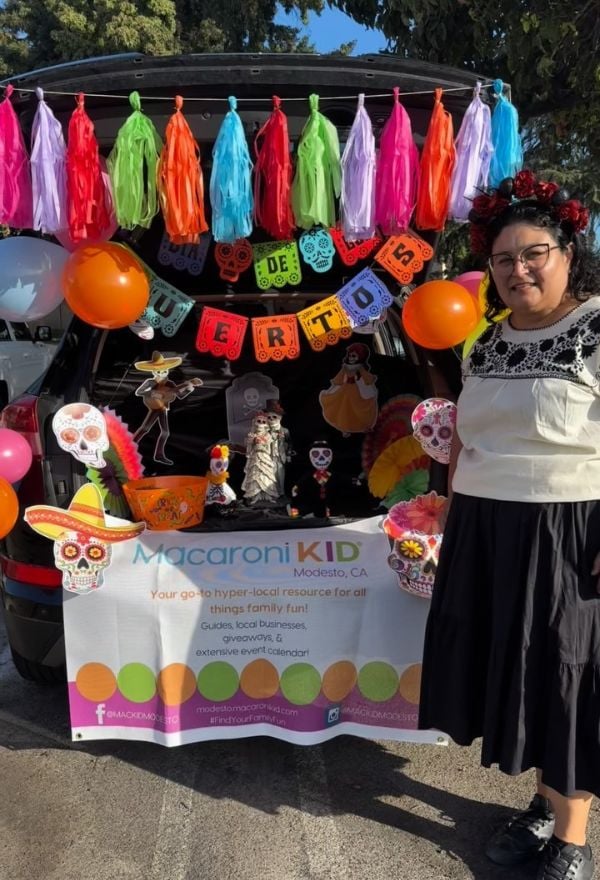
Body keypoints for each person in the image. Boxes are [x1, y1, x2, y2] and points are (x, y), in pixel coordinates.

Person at [419, 169, 600, 880]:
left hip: (571, 527)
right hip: (489, 528)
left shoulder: (596, 328)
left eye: (534, 254)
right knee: (517, 668)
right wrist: (453, 513)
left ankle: (574, 839)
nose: (517, 269)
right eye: (502, 259)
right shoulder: (486, 343)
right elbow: (467, 433)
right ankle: (542, 802)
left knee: (568, 677)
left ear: (568, 253)